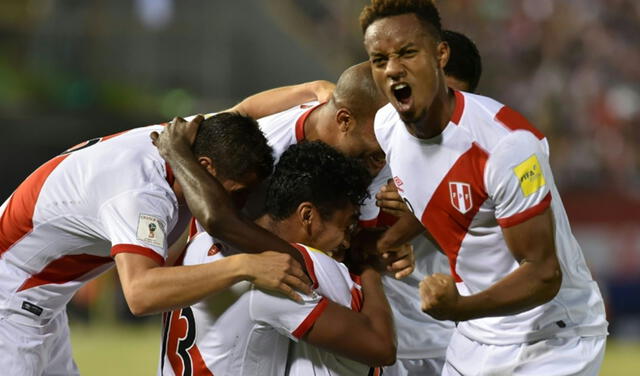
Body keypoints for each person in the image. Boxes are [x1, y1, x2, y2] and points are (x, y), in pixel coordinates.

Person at [360, 1, 608, 375]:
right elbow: (442, 197)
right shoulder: (387, 127)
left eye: (407, 53)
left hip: (553, 339)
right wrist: (396, 237)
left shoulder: (507, 146)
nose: (394, 68)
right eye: (380, 60)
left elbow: (542, 274)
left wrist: (457, 307)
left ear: (440, 54)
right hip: (475, 336)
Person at [0, 112, 314, 375]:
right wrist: (244, 266)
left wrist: (312, 89)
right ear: (204, 168)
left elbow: (247, 108)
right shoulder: (142, 193)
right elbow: (141, 293)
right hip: (9, 304)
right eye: (237, 192)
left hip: (38, 300)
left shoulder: (185, 139)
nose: (235, 206)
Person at [159, 141, 396, 375]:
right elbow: (381, 348)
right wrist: (370, 270)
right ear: (307, 216)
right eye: (347, 226)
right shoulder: (274, 274)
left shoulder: (199, 241)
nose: (346, 242)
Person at [373, 28, 484, 376]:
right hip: (376, 336)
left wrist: (421, 212)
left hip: (445, 338)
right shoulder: (372, 138)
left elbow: (481, 255)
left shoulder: (478, 158)